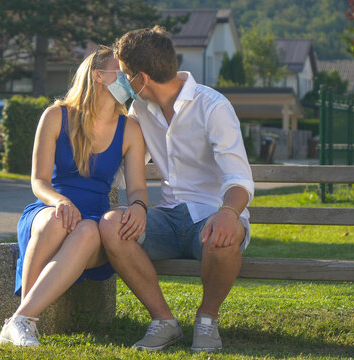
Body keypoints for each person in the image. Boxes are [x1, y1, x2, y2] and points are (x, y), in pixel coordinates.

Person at [99, 26, 254, 353]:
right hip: (167, 220)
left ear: (141, 78)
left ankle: (207, 320)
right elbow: (122, 168)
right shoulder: (138, 105)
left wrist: (229, 214)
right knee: (112, 225)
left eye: (124, 75)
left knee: (224, 238)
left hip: (211, 216)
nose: (121, 82)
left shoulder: (213, 106)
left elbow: (238, 179)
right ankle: (164, 321)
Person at [0, 46, 148, 346]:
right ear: (99, 76)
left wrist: (140, 207)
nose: (128, 81)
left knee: (89, 230)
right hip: (50, 208)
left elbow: (138, 188)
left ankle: (20, 321)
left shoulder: (129, 128)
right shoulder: (56, 115)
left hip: (93, 219)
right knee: (57, 220)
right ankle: (25, 321)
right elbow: (39, 181)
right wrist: (61, 202)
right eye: (121, 73)